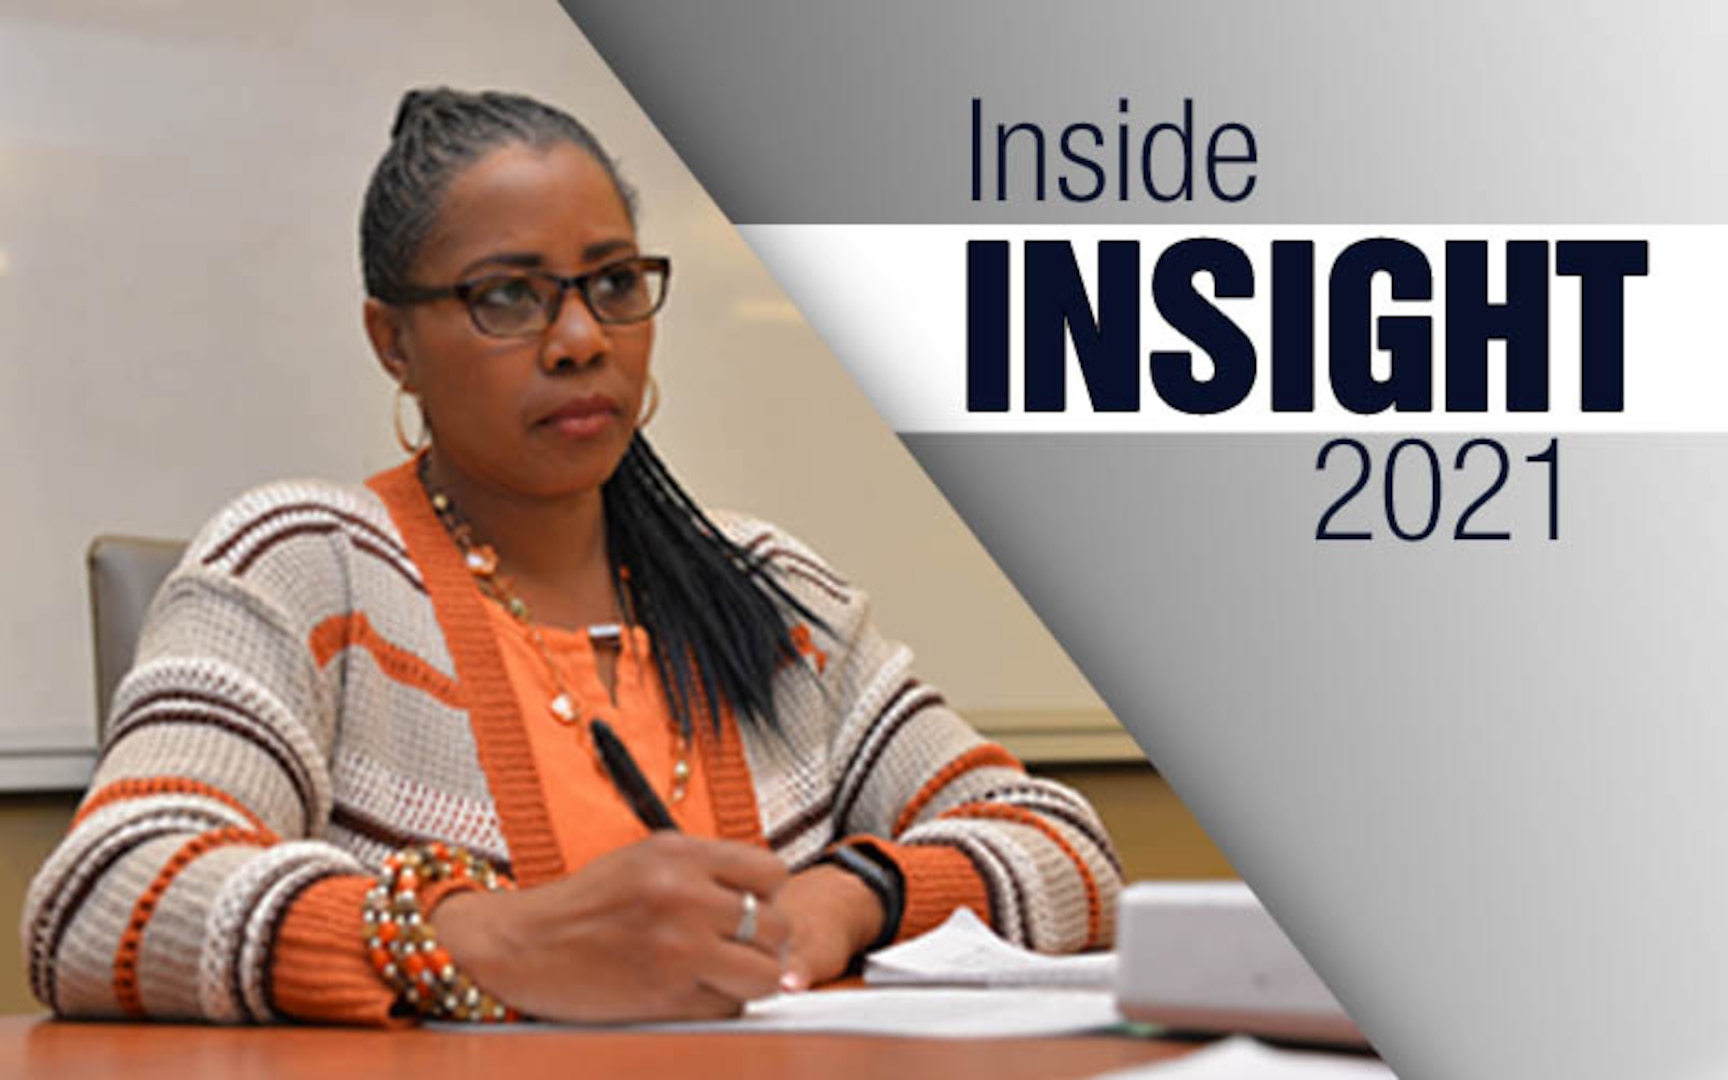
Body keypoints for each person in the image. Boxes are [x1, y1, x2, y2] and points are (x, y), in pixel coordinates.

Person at [21, 88, 1122, 1025]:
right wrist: (482, 938)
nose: (581, 337)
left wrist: (852, 895)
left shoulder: (767, 590)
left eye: (612, 283)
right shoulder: (304, 566)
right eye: (507, 295)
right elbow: (103, 895)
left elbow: (1066, 850)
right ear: (391, 341)